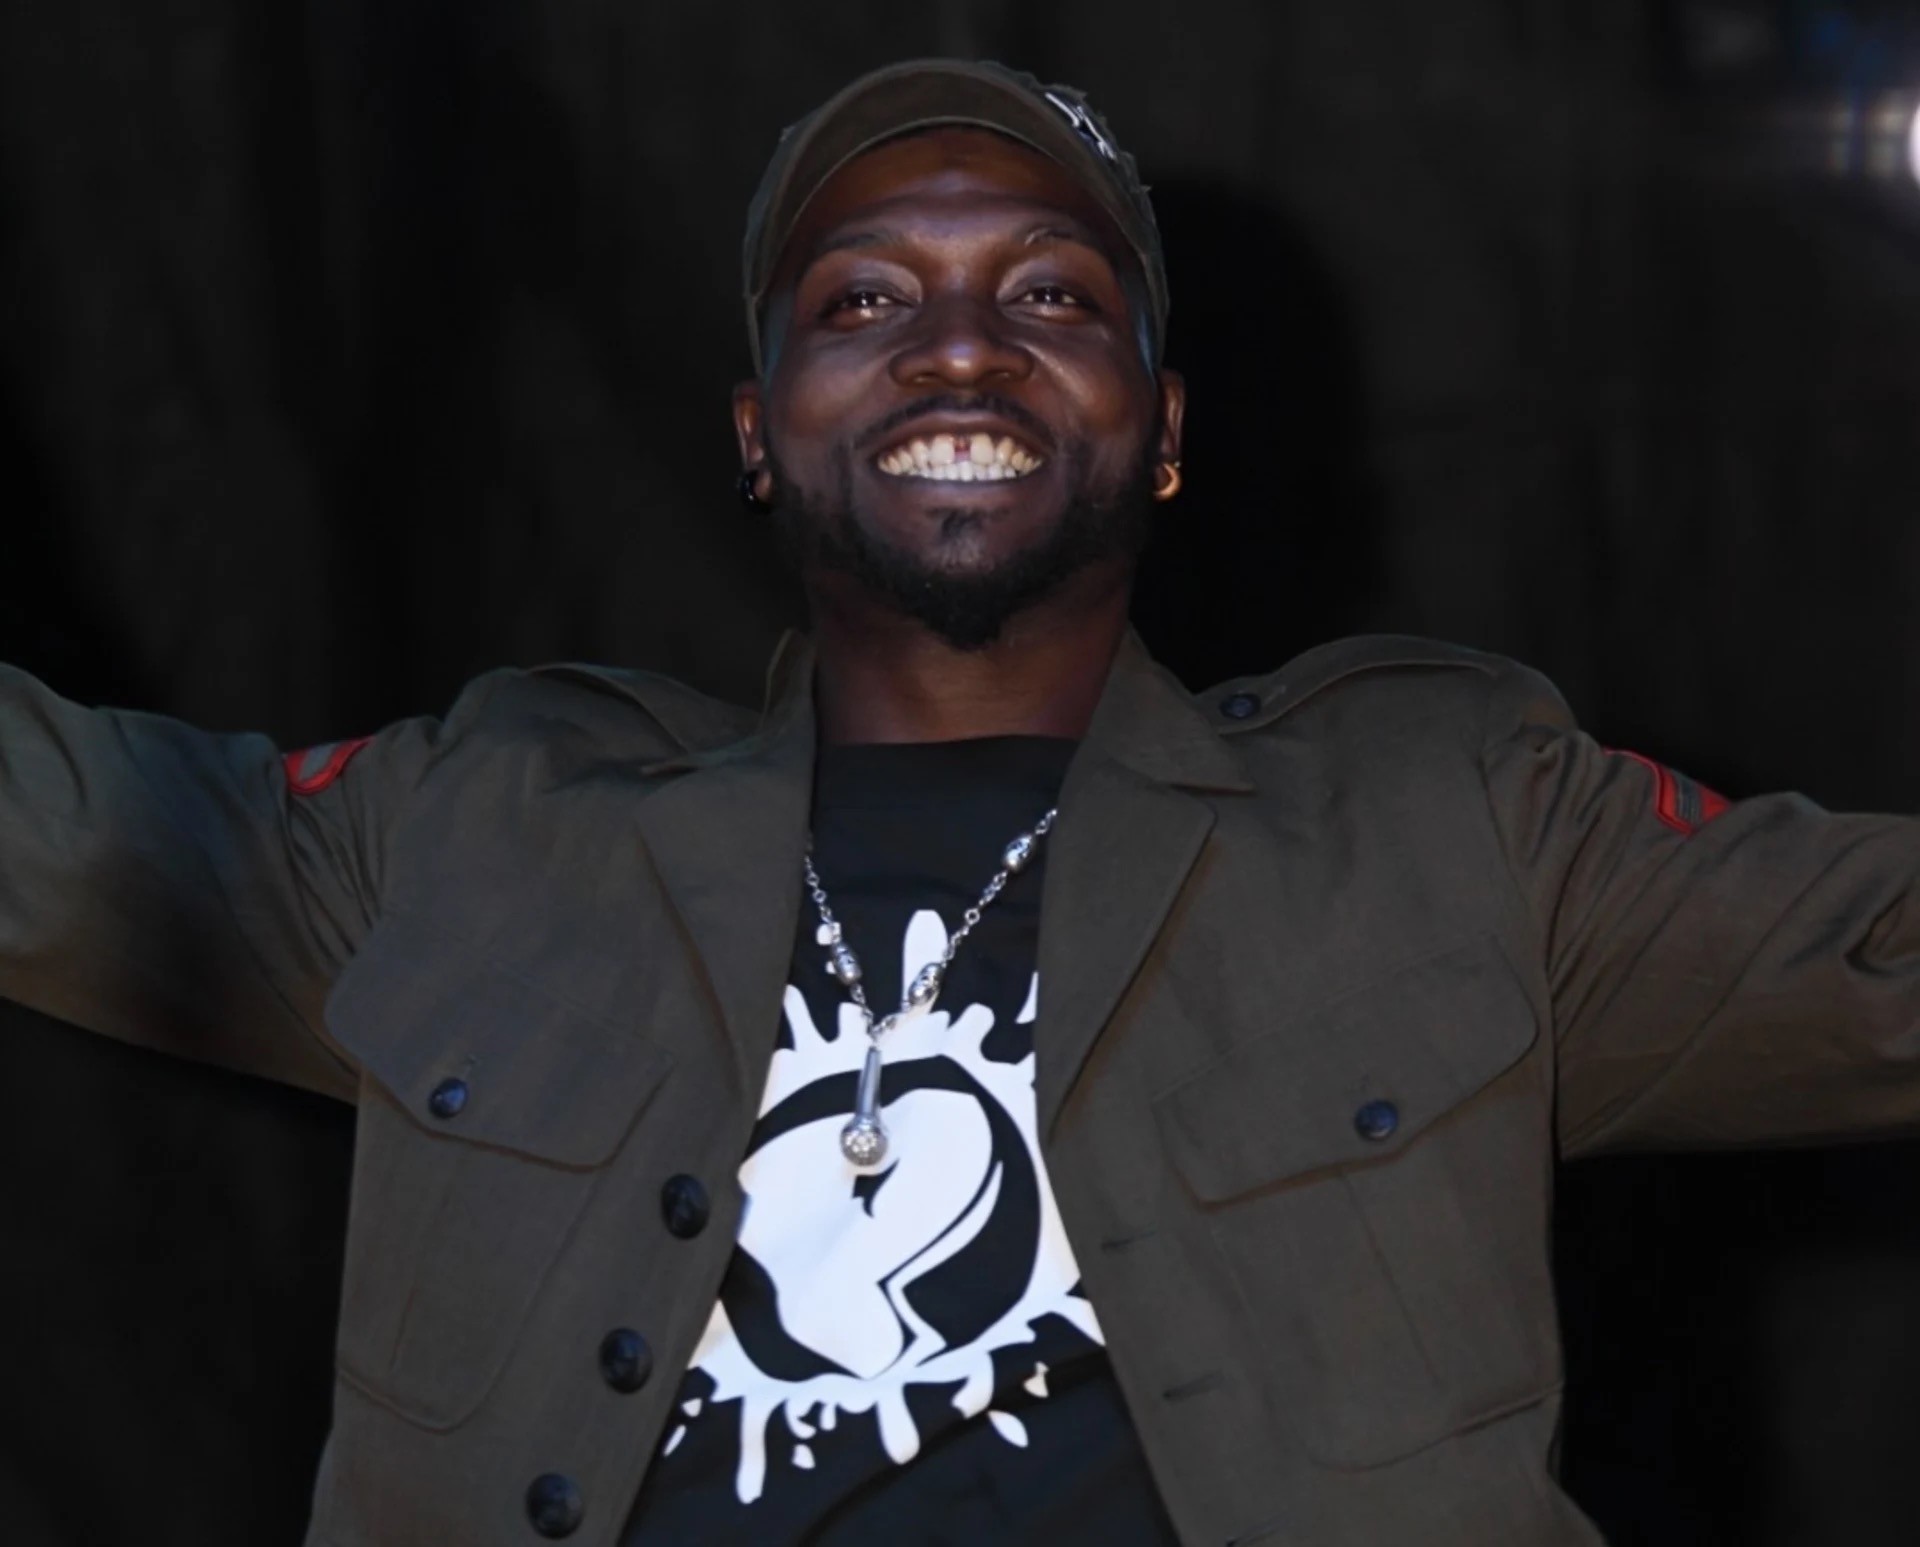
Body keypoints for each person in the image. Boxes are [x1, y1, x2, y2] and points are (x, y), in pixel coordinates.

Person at [0, 56, 1914, 1547]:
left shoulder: (1459, 818)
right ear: (758, 434)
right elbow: (48, 835)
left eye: (1053, 293)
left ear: (1164, 435)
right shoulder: (478, 824)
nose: (960, 341)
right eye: (861, 300)